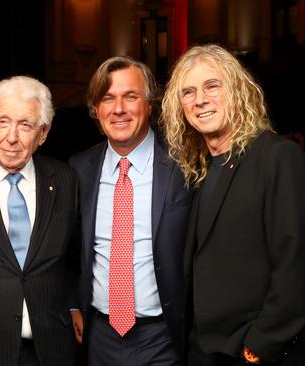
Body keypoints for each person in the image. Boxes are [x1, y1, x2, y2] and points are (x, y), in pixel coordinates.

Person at [161, 44, 305, 365]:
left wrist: (259, 347)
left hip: (251, 351)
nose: (200, 100)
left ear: (237, 90)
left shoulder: (277, 157)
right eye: (188, 92)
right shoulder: (197, 170)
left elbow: (294, 265)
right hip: (200, 349)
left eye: (212, 86)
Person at [0, 76, 81, 366]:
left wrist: (73, 304)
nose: (12, 137)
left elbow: (74, 256)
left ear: (43, 133)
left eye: (25, 125)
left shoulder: (65, 179)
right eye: (3, 122)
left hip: (50, 348)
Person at [69, 56, 191, 366]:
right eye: (107, 98)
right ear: (96, 109)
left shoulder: (185, 165)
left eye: (130, 96)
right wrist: (72, 305)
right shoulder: (79, 169)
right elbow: (67, 249)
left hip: (165, 334)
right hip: (99, 336)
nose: (119, 108)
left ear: (150, 104)